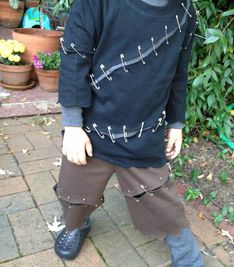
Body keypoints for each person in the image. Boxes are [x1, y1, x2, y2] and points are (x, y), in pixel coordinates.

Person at [53, 0, 204, 266]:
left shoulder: (184, 11)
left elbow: (178, 72)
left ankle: (186, 255)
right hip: (92, 129)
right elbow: (74, 56)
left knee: (161, 199)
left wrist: (176, 123)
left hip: (146, 130)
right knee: (74, 192)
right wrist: (73, 125)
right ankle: (76, 225)